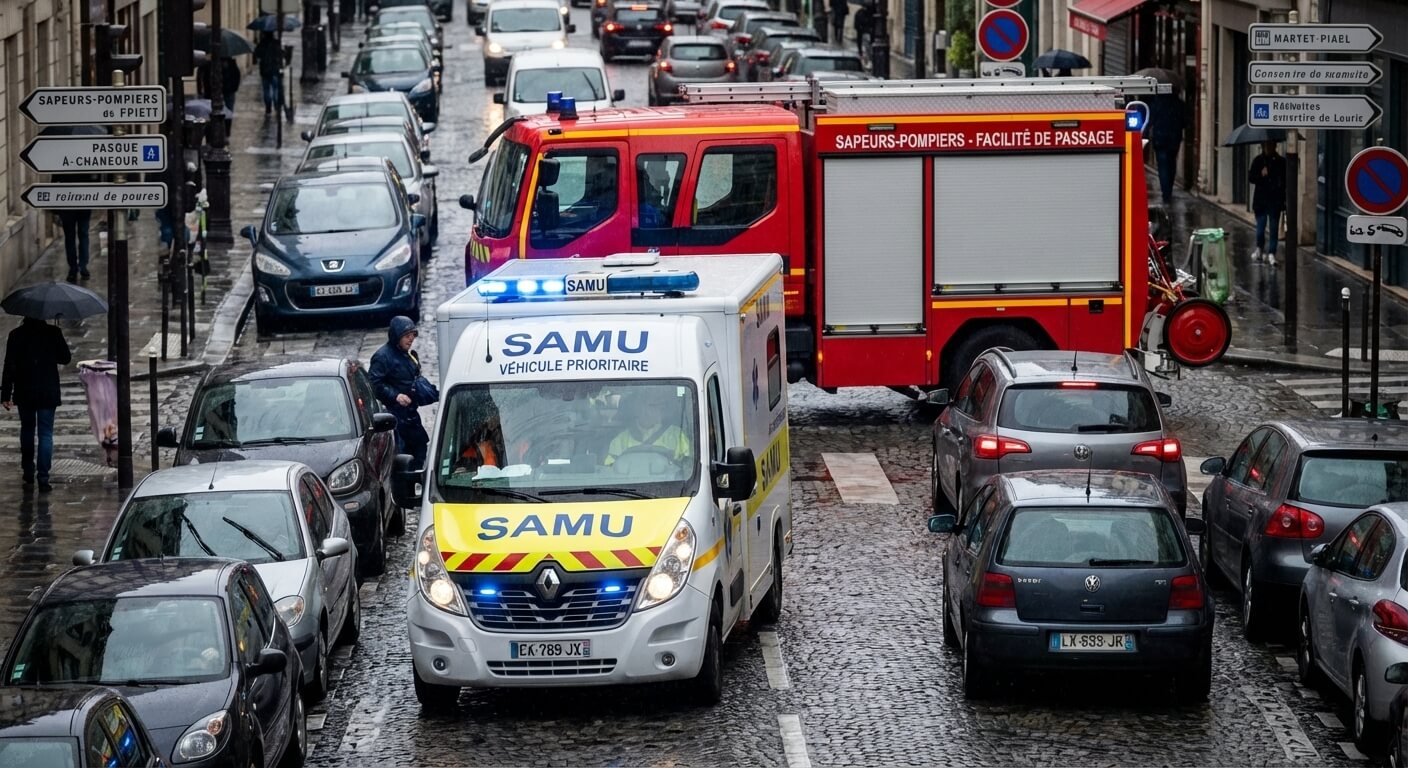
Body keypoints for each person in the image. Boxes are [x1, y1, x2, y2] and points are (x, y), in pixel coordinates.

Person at [1, 316, 73, 492]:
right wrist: (56, 336)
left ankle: (27, 468)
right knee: (45, 433)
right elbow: (65, 358)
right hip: (47, 391)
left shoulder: (16, 335)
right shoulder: (53, 333)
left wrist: (5, 394)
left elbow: (9, 365)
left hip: (25, 391)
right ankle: (43, 476)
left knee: (27, 429)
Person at [370, 316, 437, 469]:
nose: (411, 339)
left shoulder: (409, 355)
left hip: (410, 415)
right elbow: (374, 384)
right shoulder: (382, 357)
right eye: (407, 336)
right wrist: (395, 396)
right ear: (397, 336)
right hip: (395, 416)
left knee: (419, 449)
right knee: (401, 456)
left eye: (412, 335)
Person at [604, 390, 691, 468]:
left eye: (661, 405)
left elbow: (688, 467)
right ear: (639, 408)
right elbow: (610, 470)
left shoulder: (677, 436)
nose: (659, 409)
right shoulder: (619, 441)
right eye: (654, 405)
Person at [1248, 140, 1287, 265]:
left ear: (1274, 146)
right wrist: (1261, 174)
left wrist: (1283, 199)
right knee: (1260, 227)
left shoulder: (1281, 162)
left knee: (1274, 228)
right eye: (1266, 146)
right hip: (1261, 200)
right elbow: (1251, 178)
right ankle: (1259, 248)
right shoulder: (1258, 161)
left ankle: (1271, 253)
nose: (1268, 148)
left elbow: (1285, 181)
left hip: (1275, 200)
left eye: (1270, 145)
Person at [1148, 91, 1186, 206]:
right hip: (1174, 138)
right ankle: (1168, 190)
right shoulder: (1179, 104)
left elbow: (1151, 120)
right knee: (1171, 164)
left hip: (1160, 139)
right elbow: (1185, 121)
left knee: (1163, 166)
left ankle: (1166, 194)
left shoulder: (1157, 103)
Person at [254, 29, 283, 117]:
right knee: (275, 89)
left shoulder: (262, 43)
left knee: (266, 90)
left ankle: (268, 108)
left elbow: (257, 54)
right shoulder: (276, 43)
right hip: (274, 70)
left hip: (265, 70)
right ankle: (277, 107)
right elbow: (280, 55)